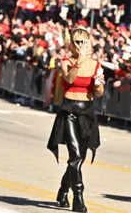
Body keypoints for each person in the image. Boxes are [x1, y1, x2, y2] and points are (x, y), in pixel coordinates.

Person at [47, 26, 104, 212]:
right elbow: (69, 79)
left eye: (84, 41)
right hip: (69, 111)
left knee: (79, 158)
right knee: (75, 155)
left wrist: (98, 85)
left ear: (89, 42)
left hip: (87, 112)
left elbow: (100, 92)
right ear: (71, 44)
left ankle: (63, 190)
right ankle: (78, 197)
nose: (81, 45)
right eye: (77, 42)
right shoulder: (66, 61)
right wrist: (78, 62)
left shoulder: (96, 64)